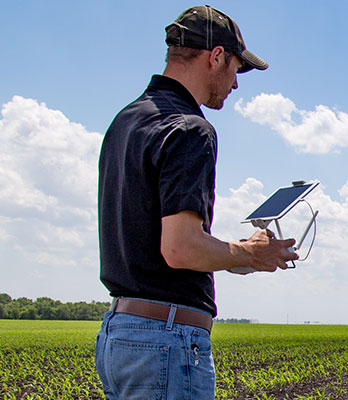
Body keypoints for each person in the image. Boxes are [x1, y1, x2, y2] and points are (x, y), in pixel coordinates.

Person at [95, 5, 297, 399]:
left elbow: (158, 243)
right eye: (237, 69)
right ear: (216, 56)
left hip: (120, 338)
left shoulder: (127, 121)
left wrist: (236, 257)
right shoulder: (190, 129)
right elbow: (180, 248)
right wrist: (250, 252)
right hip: (166, 341)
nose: (236, 85)